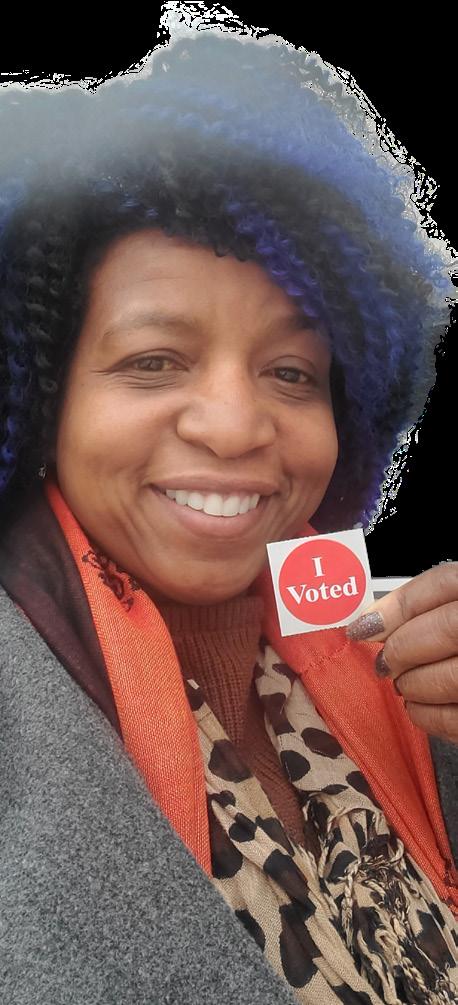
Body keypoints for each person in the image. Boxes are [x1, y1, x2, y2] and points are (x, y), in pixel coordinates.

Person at [0, 29, 457, 1005]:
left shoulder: (400, 661)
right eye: (153, 361)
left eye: (290, 372)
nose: (236, 425)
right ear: (41, 399)